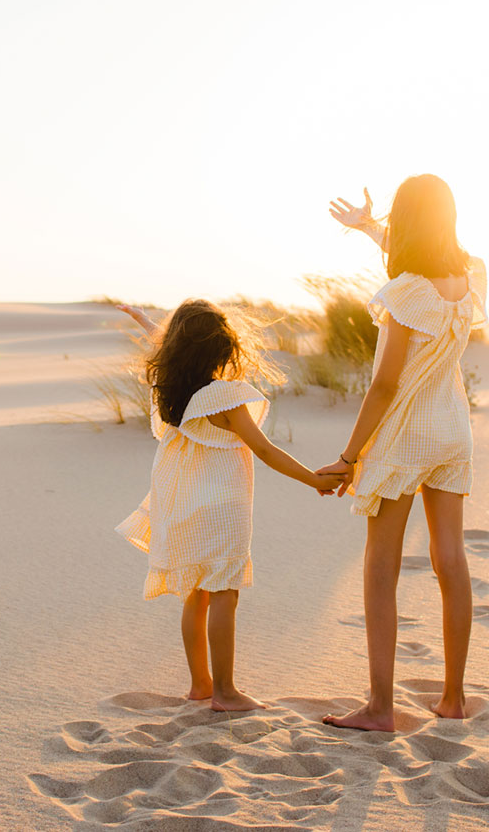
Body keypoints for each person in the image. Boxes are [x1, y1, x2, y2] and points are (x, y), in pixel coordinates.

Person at [115, 299, 347, 711]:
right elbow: (264, 448)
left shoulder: (170, 390)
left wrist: (146, 322)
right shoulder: (224, 397)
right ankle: (225, 692)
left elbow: (173, 345)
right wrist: (312, 478)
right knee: (225, 592)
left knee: (197, 594)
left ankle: (201, 685)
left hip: (182, 504)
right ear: (221, 348)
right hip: (222, 507)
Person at [317, 177, 488, 730]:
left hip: (405, 436)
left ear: (406, 219)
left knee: (380, 567)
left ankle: (381, 707)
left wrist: (348, 456)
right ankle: (454, 698)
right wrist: (370, 228)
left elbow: (384, 386)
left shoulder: (404, 294)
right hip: (452, 432)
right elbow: (419, 253)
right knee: (452, 560)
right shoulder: (471, 275)